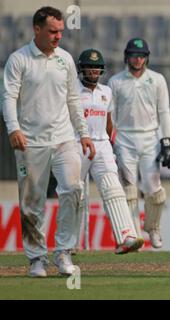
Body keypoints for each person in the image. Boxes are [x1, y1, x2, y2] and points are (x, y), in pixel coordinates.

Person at [2, 6, 95, 277]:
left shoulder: (65, 59)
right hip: (30, 142)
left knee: (73, 189)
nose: (58, 37)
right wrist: (13, 128)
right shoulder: (18, 59)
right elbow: (8, 97)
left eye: (61, 32)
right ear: (37, 29)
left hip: (65, 138)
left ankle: (64, 252)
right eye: (53, 31)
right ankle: (36, 258)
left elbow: (73, 100)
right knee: (32, 201)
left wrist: (84, 133)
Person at [75, 48, 144, 254]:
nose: (94, 71)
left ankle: (126, 236)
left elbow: (108, 122)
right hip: (77, 143)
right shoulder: (72, 91)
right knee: (74, 194)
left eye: (97, 67)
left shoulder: (107, 92)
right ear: (82, 69)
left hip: (102, 144)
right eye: (90, 67)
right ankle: (68, 245)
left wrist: (111, 144)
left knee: (113, 188)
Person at [108, 38, 170, 249]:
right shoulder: (115, 81)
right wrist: (111, 141)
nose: (137, 60)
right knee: (129, 189)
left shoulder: (157, 80)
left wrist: (167, 141)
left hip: (150, 139)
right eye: (134, 55)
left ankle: (153, 227)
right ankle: (133, 232)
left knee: (155, 190)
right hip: (125, 139)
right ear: (127, 56)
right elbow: (112, 115)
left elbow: (164, 111)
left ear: (147, 57)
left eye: (141, 56)